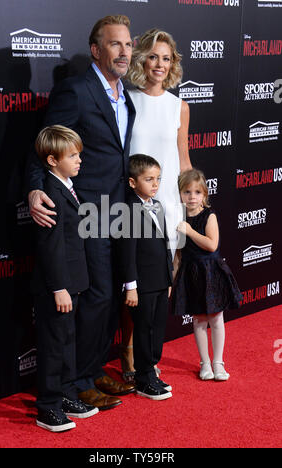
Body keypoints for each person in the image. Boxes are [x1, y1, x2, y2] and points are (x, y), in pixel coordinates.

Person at [25, 15, 136, 411]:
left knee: (110, 297)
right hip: (85, 211)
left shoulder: (127, 94)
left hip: (119, 207)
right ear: (96, 49)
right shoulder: (76, 89)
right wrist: (36, 187)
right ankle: (76, 382)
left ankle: (91, 369)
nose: (124, 52)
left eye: (128, 44)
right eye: (115, 44)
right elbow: (46, 145)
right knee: (97, 294)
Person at [120, 28, 192, 380]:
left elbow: (183, 158)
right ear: (140, 60)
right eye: (152, 56)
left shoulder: (180, 106)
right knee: (133, 283)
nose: (159, 64)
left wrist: (194, 202)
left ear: (173, 63)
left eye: (166, 58)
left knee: (159, 286)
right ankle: (128, 349)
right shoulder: (126, 99)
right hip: (132, 205)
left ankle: (148, 353)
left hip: (168, 206)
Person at [31, 125, 99, 432]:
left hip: (74, 282)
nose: (79, 160)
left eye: (79, 154)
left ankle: (67, 394)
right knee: (54, 345)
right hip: (57, 287)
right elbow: (51, 246)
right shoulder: (50, 193)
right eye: (72, 155)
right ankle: (47, 406)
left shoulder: (68, 185)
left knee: (69, 342)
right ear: (51, 160)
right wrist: (59, 287)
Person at [172, 168, 242, 381]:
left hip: (211, 271)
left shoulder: (208, 216)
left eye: (197, 192)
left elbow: (212, 245)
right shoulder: (179, 218)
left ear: (205, 195)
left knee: (216, 317)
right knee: (199, 319)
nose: (192, 197)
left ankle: (218, 362)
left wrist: (190, 231)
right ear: (180, 194)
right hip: (190, 272)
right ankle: (204, 363)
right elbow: (178, 253)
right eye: (187, 192)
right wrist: (173, 279)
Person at [117, 155, 173, 400]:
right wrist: (131, 286)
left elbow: (164, 244)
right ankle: (142, 378)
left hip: (160, 280)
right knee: (144, 329)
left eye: (158, 179)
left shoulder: (157, 205)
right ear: (132, 182)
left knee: (157, 328)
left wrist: (169, 279)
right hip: (142, 284)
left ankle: (151, 372)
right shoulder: (128, 209)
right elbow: (127, 251)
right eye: (149, 179)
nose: (155, 184)